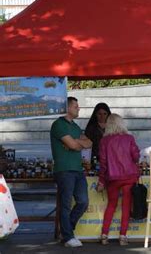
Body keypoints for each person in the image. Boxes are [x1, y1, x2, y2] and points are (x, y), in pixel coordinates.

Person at [50, 96, 92, 248]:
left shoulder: (75, 126)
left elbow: (88, 143)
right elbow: (75, 146)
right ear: (67, 108)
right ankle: (68, 236)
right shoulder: (58, 125)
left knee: (83, 201)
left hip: (77, 169)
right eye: (76, 106)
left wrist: (76, 142)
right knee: (66, 204)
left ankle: (67, 230)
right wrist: (76, 143)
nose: (78, 108)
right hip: (64, 170)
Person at [97, 114, 140, 246]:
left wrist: (101, 181)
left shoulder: (104, 141)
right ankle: (123, 236)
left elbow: (103, 163)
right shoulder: (129, 138)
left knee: (111, 205)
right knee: (126, 206)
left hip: (113, 178)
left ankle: (104, 235)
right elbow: (136, 157)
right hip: (129, 176)